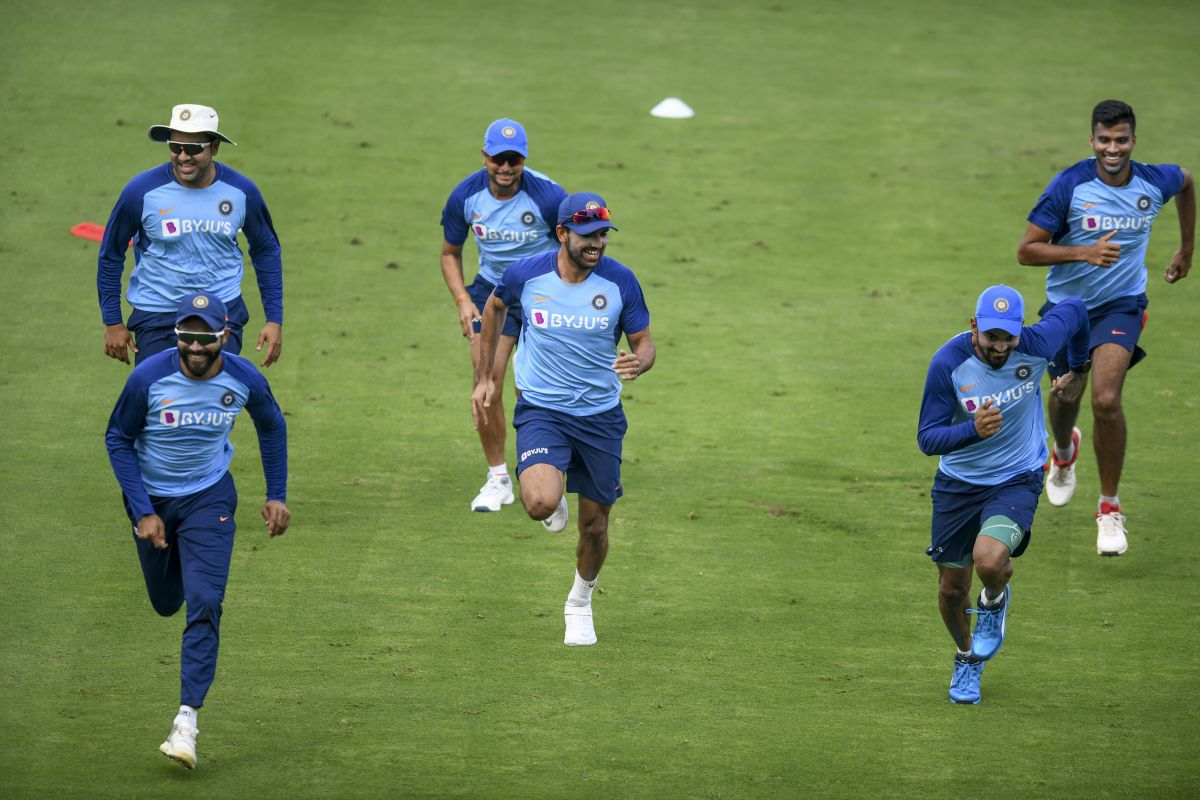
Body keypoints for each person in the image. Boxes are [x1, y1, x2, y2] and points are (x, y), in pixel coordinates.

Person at [105, 291, 290, 768]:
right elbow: (118, 438)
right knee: (168, 603)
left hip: (210, 497)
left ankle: (186, 722)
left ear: (224, 336)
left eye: (206, 337)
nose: (196, 346)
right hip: (153, 500)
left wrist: (276, 494)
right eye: (188, 336)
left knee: (206, 600)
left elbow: (272, 426)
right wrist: (143, 510)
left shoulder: (242, 377)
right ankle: (176, 563)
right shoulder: (148, 376)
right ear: (177, 336)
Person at [471, 192, 655, 646]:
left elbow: (645, 342)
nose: (597, 244)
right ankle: (554, 493)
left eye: (603, 236)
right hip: (542, 409)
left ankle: (579, 601)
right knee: (538, 503)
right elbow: (493, 309)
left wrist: (640, 361)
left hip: (600, 417)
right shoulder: (525, 276)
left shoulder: (620, 282)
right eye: (588, 236)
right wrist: (486, 377)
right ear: (562, 233)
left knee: (595, 526)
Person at [1017, 99, 1195, 556]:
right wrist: (1084, 252)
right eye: (1104, 140)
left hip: (1121, 306)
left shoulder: (1155, 181)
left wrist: (1186, 249)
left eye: (1121, 140)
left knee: (1106, 399)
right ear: (1091, 140)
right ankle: (1062, 452)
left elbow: (1187, 182)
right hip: (1067, 309)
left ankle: (1109, 508)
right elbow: (1027, 250)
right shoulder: (1069, 185)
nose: (1112, 149)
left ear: (1133, 141)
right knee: (1064, 396)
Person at [917, 285, 1089, 704]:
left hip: (1017, 476)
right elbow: (927, 438)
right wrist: (970, 431)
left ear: (1020, 330)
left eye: (1008, 336)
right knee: (951, 591)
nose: (1000, 346)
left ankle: (993, 598)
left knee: (990, 560)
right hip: (958, 484)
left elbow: (1077, 309)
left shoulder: (1038, 343)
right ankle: (966, 657)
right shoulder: (948, 364)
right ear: (974, 326)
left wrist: (1078, 369)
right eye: (991, 336)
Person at [440, 118, 567, 512]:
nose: (506, 168)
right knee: (485, 382)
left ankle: (549, 477)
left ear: (524, 159)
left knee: (533, 389)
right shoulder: (465, 196)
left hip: (540, 296)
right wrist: (463, 299)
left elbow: (573, 250)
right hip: (491, 293)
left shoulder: (548, 198)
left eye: (514, 160)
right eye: (498, 159)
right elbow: (449, 253)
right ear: (485, 157)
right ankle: (498, 479)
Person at [98, 103, 285, 368]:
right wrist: (113, 322)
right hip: (158, 315)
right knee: (159, 402)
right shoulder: (140, 192)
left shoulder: (242, 192)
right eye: (176, 146)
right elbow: (111, 254)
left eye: (195, 148)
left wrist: (273, 319)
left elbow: (266, 250)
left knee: (214, 403)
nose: (183, 157)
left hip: (221, 314)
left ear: (214, 147)